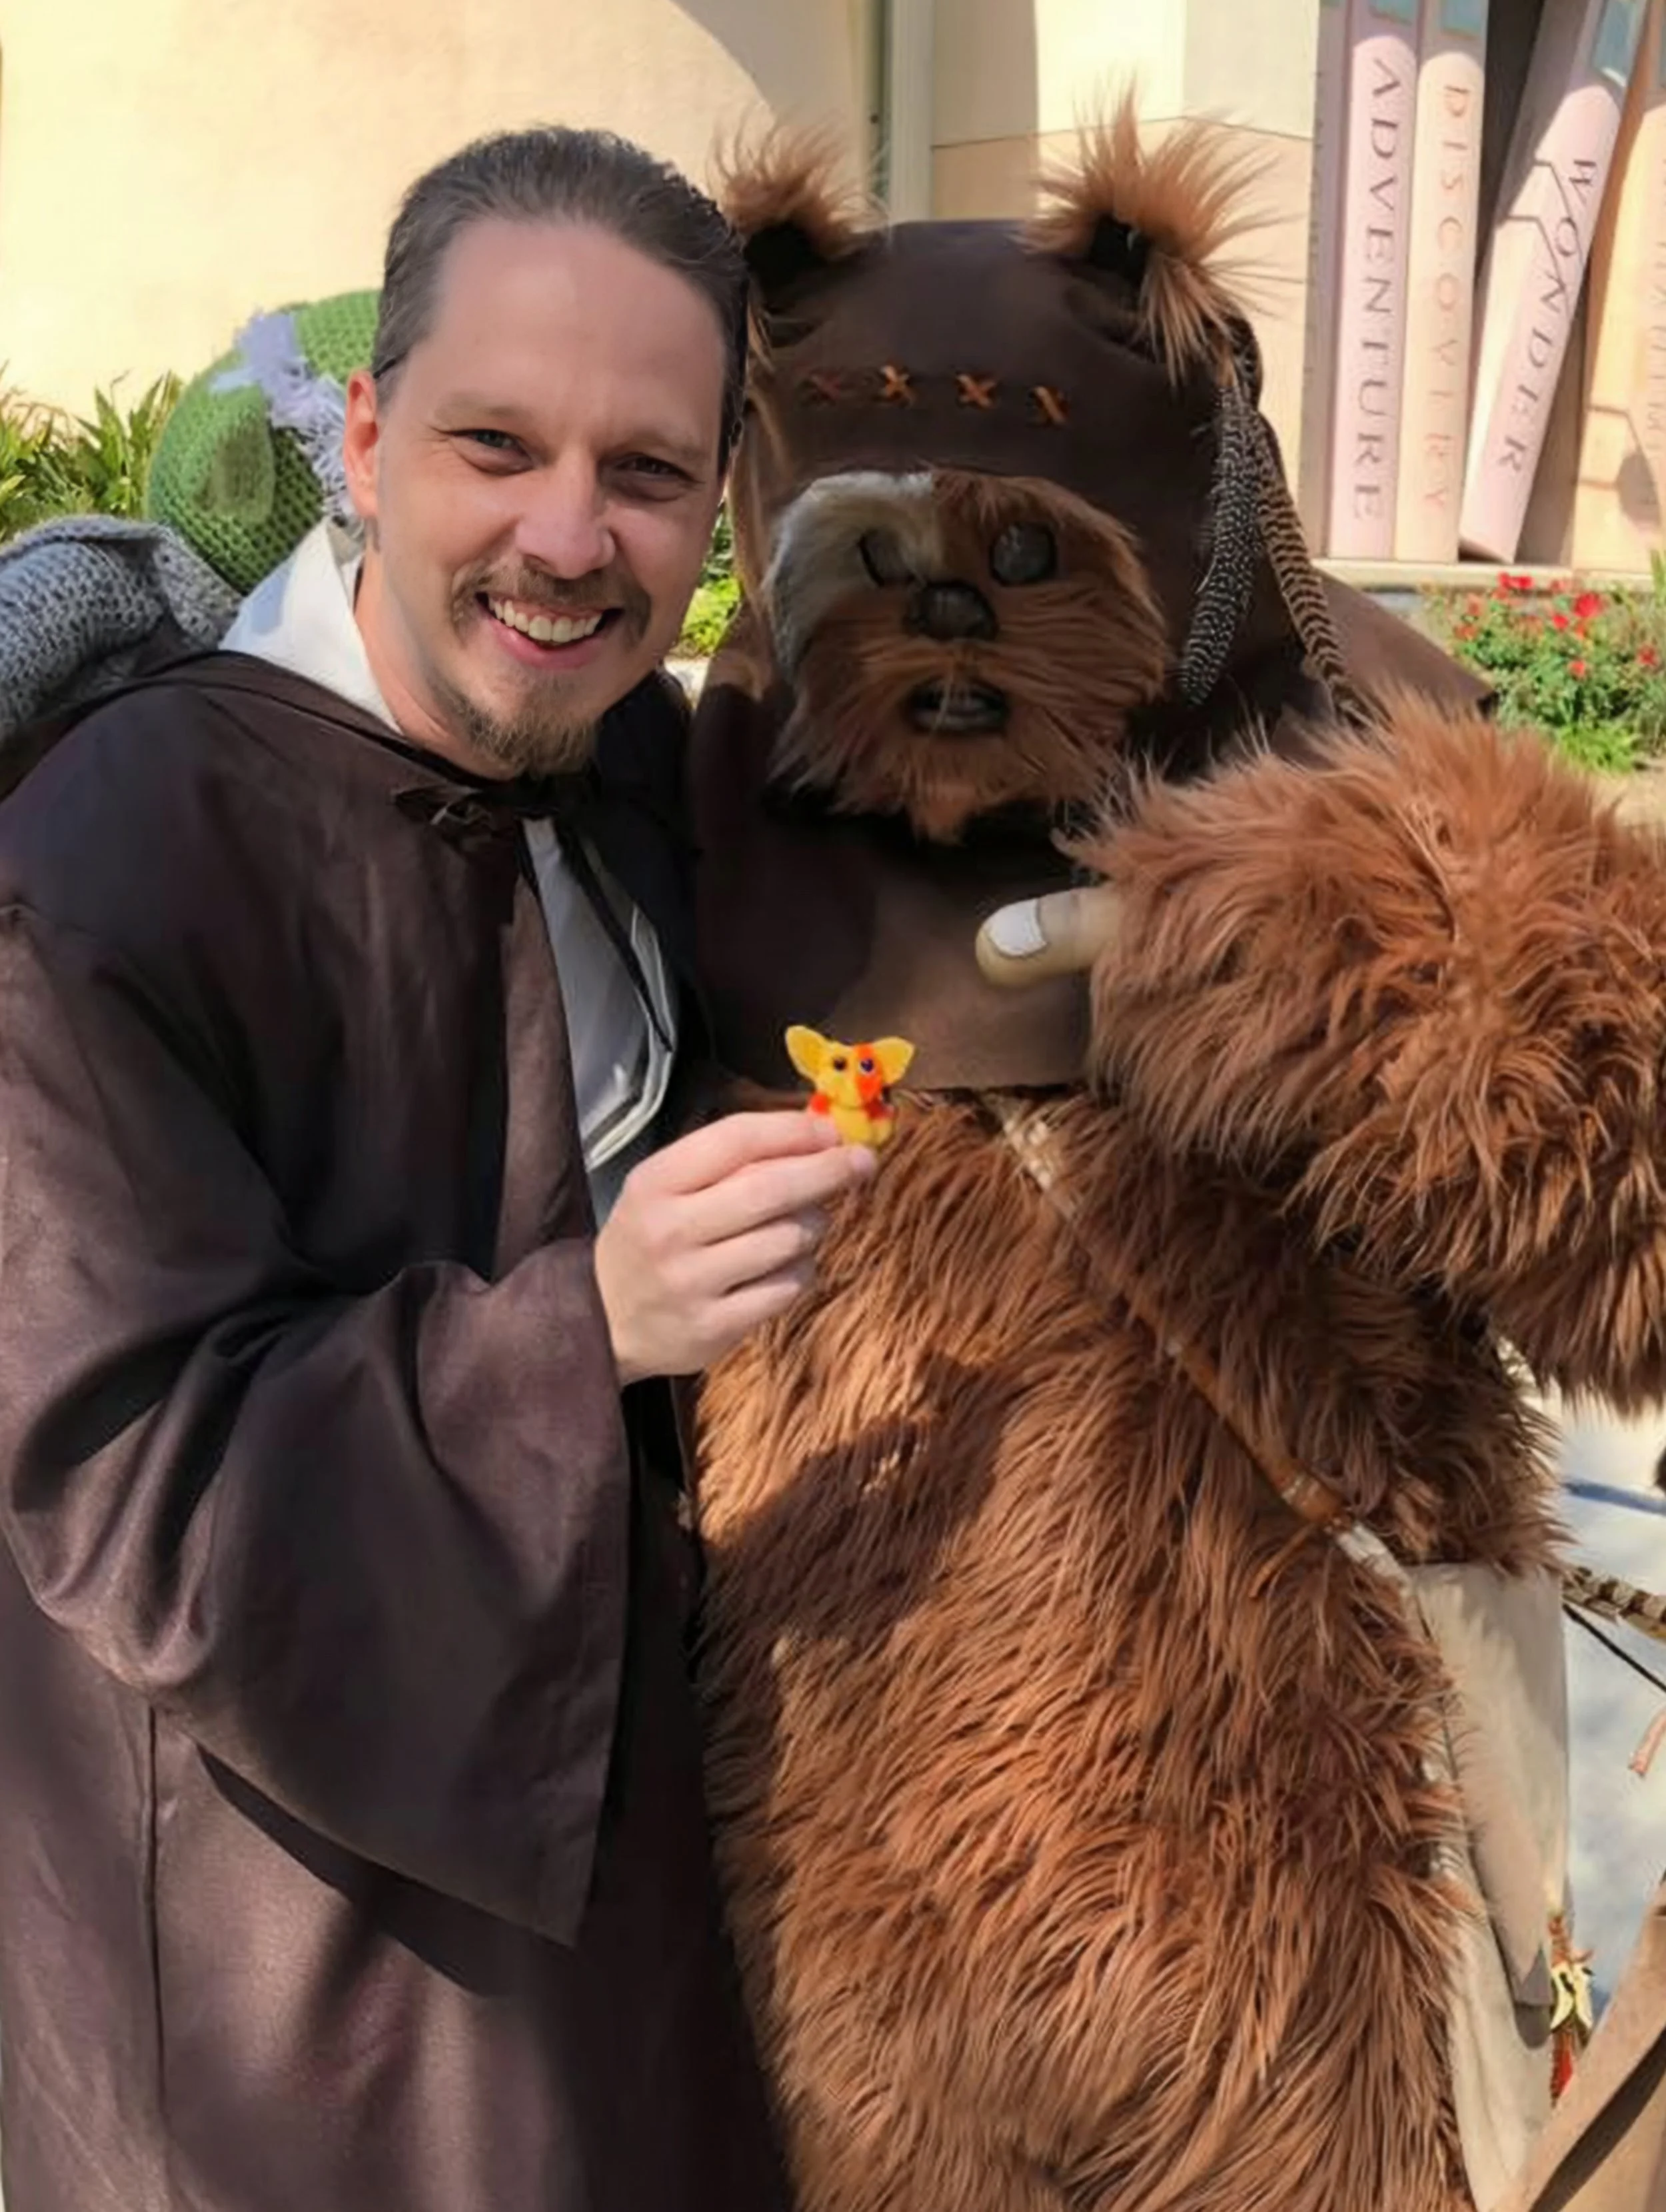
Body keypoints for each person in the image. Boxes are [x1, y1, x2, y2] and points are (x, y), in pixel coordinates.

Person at [0, 125, 874, 2212]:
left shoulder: (630, 760)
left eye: (644, 471)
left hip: (622, 1906)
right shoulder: (109, 864)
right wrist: (598, 1327)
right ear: (370, 438)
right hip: (301, 2001)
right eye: (498, 444)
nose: (568, 539)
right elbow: (134, 1477)